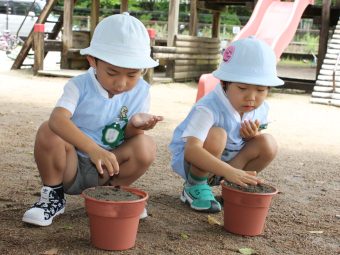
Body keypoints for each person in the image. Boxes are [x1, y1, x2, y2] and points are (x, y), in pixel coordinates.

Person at [22, 13, 163, 226]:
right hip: (71, 165)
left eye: (132, 74)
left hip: (108, 167)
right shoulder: (79, 86)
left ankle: (113, 194)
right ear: (93, 61)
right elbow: (57, 120)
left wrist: (136, 126)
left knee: (146, 145)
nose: (121, 83)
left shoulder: (141, 91)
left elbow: (129, 139)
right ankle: (53, 196)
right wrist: (92, 149)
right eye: (113, 72)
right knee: (49, 130)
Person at [169, 37, 284, 213]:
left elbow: (255, 144)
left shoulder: (261, 108)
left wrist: (252, 138)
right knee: (217, 134)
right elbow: (192, 150)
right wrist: (229, 170)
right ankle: (194, 187)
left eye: (261, 90)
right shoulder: (208, 107)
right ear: (224, 83)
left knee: (267, 143)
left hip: (230, 168)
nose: (251, 97)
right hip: (196, 164)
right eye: (242, 88)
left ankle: (233, 188)